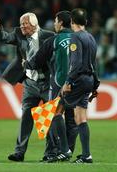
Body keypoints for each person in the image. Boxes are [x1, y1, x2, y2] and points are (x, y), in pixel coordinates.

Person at [0, 12, 55, 162]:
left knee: (47, 119)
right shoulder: (19, 34)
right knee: (25, 117)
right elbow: (4, 38)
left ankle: (50, 153)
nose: (22, 26)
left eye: (25, 23)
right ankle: (19, 152)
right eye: (21, 23)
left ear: (34, 24)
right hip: (30, 83)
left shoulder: (49, 36)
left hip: (47, 82)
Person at [24, 11, 78, 162]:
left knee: (53, 115)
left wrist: (25, 63)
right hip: (79, 83)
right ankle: (69, 151)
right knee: (73, 119)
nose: (54, 24)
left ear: (61, 23)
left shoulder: (54, 40)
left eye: (55, 21)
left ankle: (61, 150)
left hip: (59, 84)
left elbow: (36, 61)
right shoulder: (79, 38)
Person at [56, 8, 100, 163]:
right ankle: (87, 155)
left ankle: (65, 150)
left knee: (56, 111)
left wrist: (67, 82)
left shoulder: (75, 37)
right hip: (88, 80)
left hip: (78, 80)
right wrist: (95, 85)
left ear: (72, 22)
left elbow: (76, 63)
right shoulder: (91, 38)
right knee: (81, 118)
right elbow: (93, 64)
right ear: (86, 22)